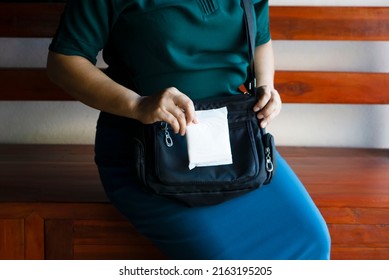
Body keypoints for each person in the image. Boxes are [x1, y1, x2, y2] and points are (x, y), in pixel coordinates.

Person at [47, 0, 330, 260]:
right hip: (144, 154)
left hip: (234, 145)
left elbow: (260, 40)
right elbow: (64, 62)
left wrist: (265, 86)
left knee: (312, 243)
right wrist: (138, 105)